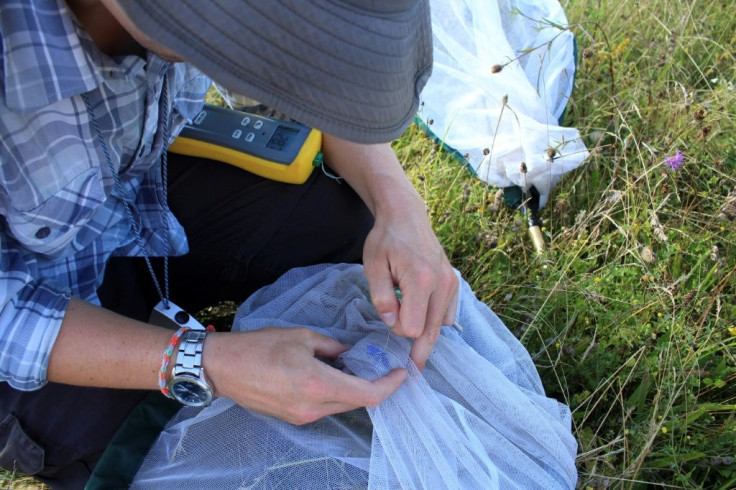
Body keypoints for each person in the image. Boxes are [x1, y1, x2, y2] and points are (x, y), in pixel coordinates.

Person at [0, 0, 458, 488]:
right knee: (160, 448)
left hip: (131, 190)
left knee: (342, 221)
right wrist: (207, 362)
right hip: (19, 328)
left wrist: (401, 209)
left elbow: (310, 86)